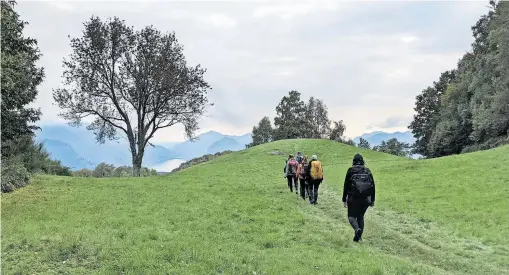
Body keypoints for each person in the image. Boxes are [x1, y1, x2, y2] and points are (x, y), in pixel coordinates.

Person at [342, 153, 376, 242]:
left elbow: (346, 185)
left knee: (351, 217)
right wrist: (372, 200)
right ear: (362, 161)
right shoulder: (367, 171)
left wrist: (344, 199)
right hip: (366, 199)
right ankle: (359, 238)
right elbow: (373, 186)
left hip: (353, 198)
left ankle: (357, 229)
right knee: (360, 216)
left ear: (353, 161)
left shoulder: (350, 170)